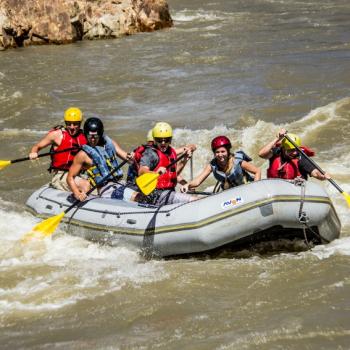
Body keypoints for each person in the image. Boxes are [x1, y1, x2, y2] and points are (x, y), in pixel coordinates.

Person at [67, 117, 133, 201]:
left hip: (119, 183)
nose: (93, 139)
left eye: (96, 136)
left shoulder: (109, 144)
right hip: (106, 189)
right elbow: (70, 177)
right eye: (90, 136)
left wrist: (132, 156)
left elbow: (126, 157)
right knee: (138, 197)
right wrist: (77, 193)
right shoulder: (82, 155)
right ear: (85, 135)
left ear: (101, 134)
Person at [137, 122, 197, 205]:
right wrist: (155, 173)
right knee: (195, 200)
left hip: (170, 191)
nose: (163, 143)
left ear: (170, 139)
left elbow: (174, 173)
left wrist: (185, 158)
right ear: (154, 139)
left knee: (192, 197)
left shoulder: (171, 152)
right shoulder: (150, 154)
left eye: (166, 140)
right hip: (156, 194)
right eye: (159, 140)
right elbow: (141, 171)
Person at [29, 107, 87, 191]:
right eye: (69, 124)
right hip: (61, 175)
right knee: (85, 185)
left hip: (80, 174)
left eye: (75, 124)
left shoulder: (85, 135)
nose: (72, 127)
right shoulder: (56, 135)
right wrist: (33, 152)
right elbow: (37, 146)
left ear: (80, 123)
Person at [180, 135, 261, 193]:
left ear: (228, 151)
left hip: (246, 188)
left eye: (223, 151)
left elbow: (257, 171)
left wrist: (255, 190)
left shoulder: (237, 161)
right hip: (229, 192)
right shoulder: (212, 165)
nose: (220, 155)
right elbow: (198, 181)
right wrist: (187, 185)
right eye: (217, 152)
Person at [258, 129, 329, 180]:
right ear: (283, 148)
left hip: (294, 191)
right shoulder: (277, 152)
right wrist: (277, 138)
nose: (294, 152)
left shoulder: (301, 157)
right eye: (290, 150)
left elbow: (315, 172)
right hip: (275, 190)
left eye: (296, 149)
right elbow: (261, 154)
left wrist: (322, 176)